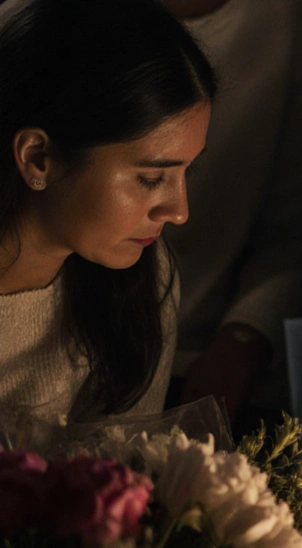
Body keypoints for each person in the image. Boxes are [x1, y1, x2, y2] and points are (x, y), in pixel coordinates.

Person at [0, 0, 213, 425]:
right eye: (151, 179)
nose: (178, 211)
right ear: (38, 157)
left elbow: (123, 479)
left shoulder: (140, 284)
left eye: (187, 171)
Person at [162, 0, 302, 427]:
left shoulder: (296, 16)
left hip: (215, 364)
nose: (177, 211)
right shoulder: (39, 19)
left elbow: (301, 231)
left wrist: (246, 333)